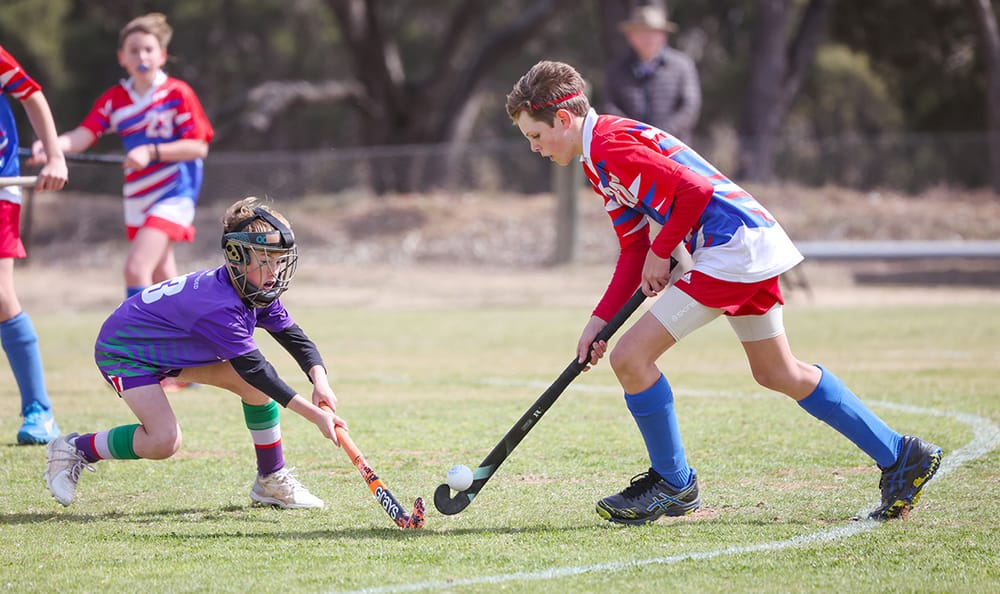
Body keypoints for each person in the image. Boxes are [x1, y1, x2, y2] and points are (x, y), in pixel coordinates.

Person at [505, 60, 942, 525]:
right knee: (778, 372)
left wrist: (664, 246)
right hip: (746, 244)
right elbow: (633, 249)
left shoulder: (610, 146)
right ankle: (901, 455)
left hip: (731, 247)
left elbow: (694, 189)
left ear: (564, 120)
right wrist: (599, 322)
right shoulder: (597, 163)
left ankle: (674, 484)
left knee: (631, 359)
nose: (534, 148)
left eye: (535, 136)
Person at [44, 196, 344, 509]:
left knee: (253, 389)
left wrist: (320, 382)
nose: (275, 271)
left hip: (167, 350)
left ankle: (270, 480)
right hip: (125, 351)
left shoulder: (251, 288)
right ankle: (76, 448)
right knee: (163, 441)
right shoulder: (219, 306)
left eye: (280, 260)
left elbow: (294, 337)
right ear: (236, 256)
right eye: (265, 260)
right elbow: (256, 368)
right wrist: (315, 416)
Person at [32, 12, 214, 300]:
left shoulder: (178, 94)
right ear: (122, 58)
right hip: (139, 196)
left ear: (162, 55)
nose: (141, 55)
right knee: (163, 278)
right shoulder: (115, 99)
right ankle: (194, 338)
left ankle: (136, 339)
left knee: (136, 269)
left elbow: (198, 147)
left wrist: (151, 151)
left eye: (148, 49)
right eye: (133, 50)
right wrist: (52, 146)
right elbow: (85, 134)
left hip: (174, 194)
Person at [0, 45, 69, 444]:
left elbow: (31, 95)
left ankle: (38, 410)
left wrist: (55, 157)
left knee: (1, 295)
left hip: (2, 184)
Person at [604, 4, 701, 143]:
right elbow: (610, 105)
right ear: (630, 36)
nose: (647, 38)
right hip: (630, 146)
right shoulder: (616, 69)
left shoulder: (682, 66)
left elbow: (689, 107)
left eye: (652, 32)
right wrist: (633, 132)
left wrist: (661, 134)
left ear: (663, 36)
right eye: (641, 32)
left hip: (674, 148)